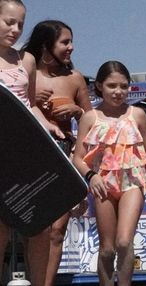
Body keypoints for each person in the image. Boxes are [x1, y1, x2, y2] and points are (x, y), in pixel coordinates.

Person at [72, 61, 146, 285]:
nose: (118, 91)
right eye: (112, 86)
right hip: (103, 183)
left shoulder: (138, 114)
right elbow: (78, 158)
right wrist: (91, 176)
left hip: (132, 180)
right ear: (100, 86)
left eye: (124, 86)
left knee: (124, 241)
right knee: (107, 249)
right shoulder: (90, 117)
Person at [0, 0, 66, 285]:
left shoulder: (24, 60)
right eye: (8, 22)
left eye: (20, 25)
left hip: (26, 149)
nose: (15, 30)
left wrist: (48, 125)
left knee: (39, 225)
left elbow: (30, 103)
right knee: (0, 229)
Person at [23, 19, 93, 286]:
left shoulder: (74, 78)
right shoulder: (26, 71)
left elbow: (93, 120)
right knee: (37, 228)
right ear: (46, 45)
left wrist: (77, 112)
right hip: (32, 153)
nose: (71, 47)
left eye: (71, 41)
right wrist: (31, 103)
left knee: (57, 230)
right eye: (65, 42)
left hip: (64, 153)